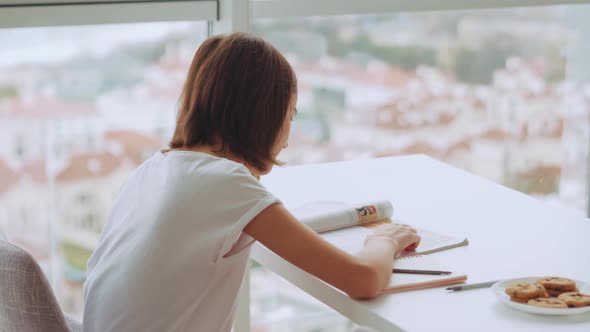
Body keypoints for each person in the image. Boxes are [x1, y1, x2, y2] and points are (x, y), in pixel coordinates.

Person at [82, 32, 421, 332]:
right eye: (290, 114)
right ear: (265, 116)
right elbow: (362, 279)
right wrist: (384, 241)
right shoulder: (226, 183)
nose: (288, 134)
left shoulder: (154, 169)